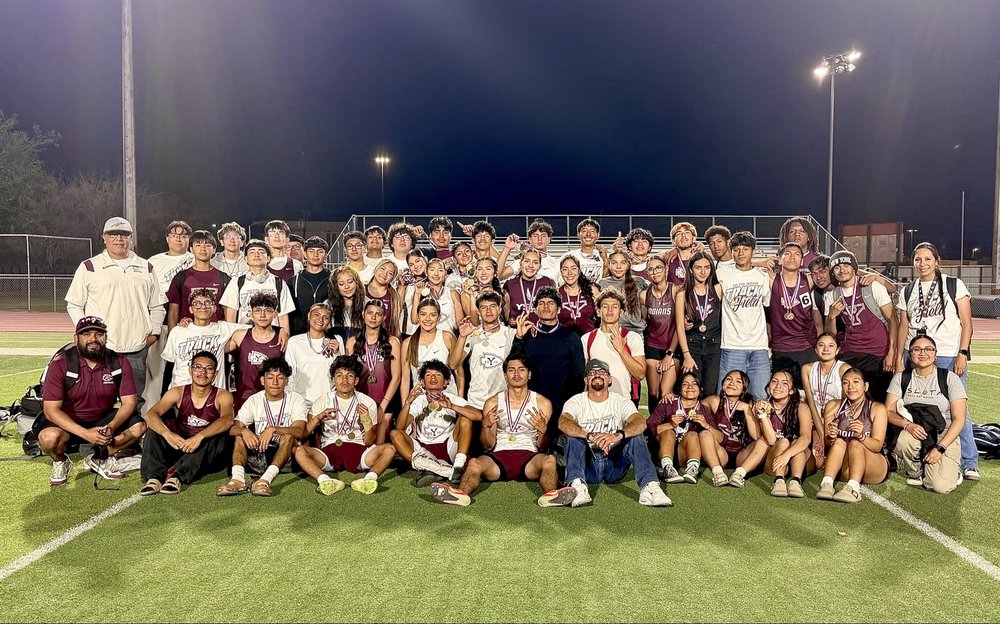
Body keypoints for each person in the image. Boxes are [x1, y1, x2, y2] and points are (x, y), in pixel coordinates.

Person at [431, 355, 577, 507]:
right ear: (505, 375)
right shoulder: (493, 402)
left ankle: (551, 495)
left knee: (549, 460)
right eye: (511, 370)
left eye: (521, 370)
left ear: (529, 374)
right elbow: (488, 445)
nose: (516, 374)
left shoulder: (543, 403)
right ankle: (461, 494)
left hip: (529, 457)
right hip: (498, 456)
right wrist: (486, 426)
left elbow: (541, 446)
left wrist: (543, 431)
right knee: (474, 463)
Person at [895, 242, 978, 481]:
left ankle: (969, 461)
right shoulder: (908, 290)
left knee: (957, 410)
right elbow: (903, 326)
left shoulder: (953, 285)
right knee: (917, 408)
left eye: (927, 259)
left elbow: (967, 322)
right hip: (915, 355)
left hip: (947, 355)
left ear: (936, 261)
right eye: (918, 260)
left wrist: (963, 352)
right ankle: (922, 458)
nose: (922, 264)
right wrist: (900, 356)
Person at [66, 217, 166, 411]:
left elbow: (157, 306)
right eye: (113, 234)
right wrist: (87, 334)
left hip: (136, 347)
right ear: (104, 238)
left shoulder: (146, 267)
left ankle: (130, 438)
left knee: (134, 401)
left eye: (124, 234)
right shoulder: (89, 266)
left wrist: (153, 334)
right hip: (101, 348)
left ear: (131, 238)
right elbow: (74, 305)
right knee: (97, 398)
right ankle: (96, 439)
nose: (118, 239)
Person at [36, 316, 145, 485]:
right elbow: (51, 410)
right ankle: (60, 461)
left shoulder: (119, 361)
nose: (93, 339)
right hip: (69, 419)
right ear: (76, 338)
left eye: (98, 334)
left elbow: (129, 402)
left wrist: (112, 426)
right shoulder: (61, 364)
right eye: (86, 334)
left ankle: (100, 457)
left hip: (103, 418)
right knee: (49, 438)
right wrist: (86, 434)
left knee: (139, 427)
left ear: (106, 337)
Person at [559, 358, 672, 507]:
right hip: (588, 464)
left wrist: (617, 435)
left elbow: (640, 422)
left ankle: (649, 487)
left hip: (614, 463)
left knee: (635, 437)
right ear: (586, 380)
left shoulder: (620, 401)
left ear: (609, 379)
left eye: (602, 372)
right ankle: (577, 486)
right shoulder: (576, 401)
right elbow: (563, 422)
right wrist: (589, 435)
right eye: (592, 373)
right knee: (572, 437)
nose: (597, 375)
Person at [294, 356, 396, 495]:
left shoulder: (367, 402)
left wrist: (366, 420)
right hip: (328, 451)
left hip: (360, 449)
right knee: (299, 451)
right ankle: (324, 480)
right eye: (339, 375)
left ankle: (369, 479)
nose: (344, 380)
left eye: (350, 376)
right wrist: (318, 417)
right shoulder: (323, 400)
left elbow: (370, 441)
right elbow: (304, 434)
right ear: (333, 380)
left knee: (390, 449)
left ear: (356, 381)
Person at [138, 351, 235, 495]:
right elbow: (151, 414)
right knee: (154, 428)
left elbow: (227, 420)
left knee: (219, 436)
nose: (203, 373)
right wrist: (168, 434)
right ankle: (154, 477)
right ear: (190, 370)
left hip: (207, 453)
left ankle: (177, 477)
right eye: (198, 367)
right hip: (182, 445)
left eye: (209, 369)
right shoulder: (177, 392)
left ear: (215, 373)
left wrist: (200, 436)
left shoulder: (222, 395)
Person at [885, 333, 967, 494]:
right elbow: (888, 411)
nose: (923, 353)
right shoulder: (901, 378)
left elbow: (959, 419)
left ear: (935, 354)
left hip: (943, 436)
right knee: (902, 440)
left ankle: (950, 469)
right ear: (910, 354)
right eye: (917, 349)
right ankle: (915, 470)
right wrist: (907, 425)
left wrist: (940, 448)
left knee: (939, 487)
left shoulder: (949, 378)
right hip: (915, 432)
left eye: (928, 349)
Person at [217, 357, 308, 497]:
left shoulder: (295, 399)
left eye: (280, 378)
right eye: (270, 377)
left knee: (289, 436)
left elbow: (300, 431)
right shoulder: (254, 400)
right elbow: (232, 427)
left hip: (285, 457)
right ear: (262, 380)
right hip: (259, 454)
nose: (275, 382)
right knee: (239, 436)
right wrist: (244, 430)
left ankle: (265, 481)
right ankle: (238, 480)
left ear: (287, 381)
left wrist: (273, 429)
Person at [391, 360, 482, 487]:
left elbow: (478, 416)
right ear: (422, 382)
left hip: (448, 448)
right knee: (395, 434)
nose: (433, 378)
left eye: (438, 375)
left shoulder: (452, 398)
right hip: (423, 450)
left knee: (465, 418)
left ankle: (457, 466)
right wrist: (408, 402)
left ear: (446, 382)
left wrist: (452, 406)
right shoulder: (419, 400)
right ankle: (446, 471)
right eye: (428, 375)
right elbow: (400, 427)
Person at [824, 250, 898, 402]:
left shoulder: (872, 286)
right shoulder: (831, 296)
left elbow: (893, 321)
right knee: (852, 398)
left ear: (854, 268)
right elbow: (830, 335)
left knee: (878, 400)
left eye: (846, 265)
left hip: (878, 352)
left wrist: (891, 352)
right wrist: (832, 316)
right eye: (837, 267)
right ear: (833, 272)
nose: (842, 270)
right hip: (852, 352)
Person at [817, 368, 889, 503]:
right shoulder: (833, 406)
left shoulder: (877, 408)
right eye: (846, 383)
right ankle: (827, 483)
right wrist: (830, 437)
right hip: (845, 465)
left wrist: (862, 436)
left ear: (865, 386)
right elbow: (828, 445)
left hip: (873, 465)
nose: (851, 387)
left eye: (856, 382)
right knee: (839, 442)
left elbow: (877, 446)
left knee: (856, 443)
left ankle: (854, 489)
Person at [715, 231, 772, 399]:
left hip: (759, 347)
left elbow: (768, 305)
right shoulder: (722, 275)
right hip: (732, 345)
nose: (740, 253)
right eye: (736, 249)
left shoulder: (762, 276)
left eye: (745, 249)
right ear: (731, 251)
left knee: (761, 396)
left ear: (753, 251)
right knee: (727, 395)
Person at [161, 289, 242, 391]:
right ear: (191, 309)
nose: (203, 307)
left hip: (213, 395)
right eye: (197, 303)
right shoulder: (178, 331)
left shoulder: (223, 328)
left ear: (214, 308)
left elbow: (252, 329)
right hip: (181, 393)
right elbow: (170, 366)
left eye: (207, 303)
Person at [700, 370, 769, 487]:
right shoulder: (714, 400)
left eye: (738, 381)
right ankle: (718, 474)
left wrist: (747, 409)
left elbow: (756, 436)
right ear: (723, 383)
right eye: (728, 379)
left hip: (742, 456)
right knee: (704, 434)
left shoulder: (750, 404)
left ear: (744, 388)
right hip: (720, 453)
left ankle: (739, 474)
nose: (732, 383)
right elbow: (691, 406)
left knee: (763, 441)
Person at [346, 300, 402, 444]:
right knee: (361, 444)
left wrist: (383, 406)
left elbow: (396, 377)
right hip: (361, 401)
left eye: (378, 314)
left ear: (384, 318)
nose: (373, 317)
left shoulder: (392, 342)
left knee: (379, 446)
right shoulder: (352, 342)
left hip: (385, 401)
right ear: (363, 315)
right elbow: (348, 376)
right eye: (370, 313)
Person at [450, 291, 516, 410]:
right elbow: (453, 364)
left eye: (492, 306)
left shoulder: (511, 334)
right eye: (483, 307)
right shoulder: (472, 334)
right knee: (465, 424)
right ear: (479, 312)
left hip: (502, 401)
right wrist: (462, 336)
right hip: (476, 401)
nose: (488, 311)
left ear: (500, 310)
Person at [753, 370, 814, 498]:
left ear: (792, 390)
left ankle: (795, 481)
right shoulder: (762, 406)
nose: (778, 386)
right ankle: (779, 480)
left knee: (798, 445)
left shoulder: (801, 407)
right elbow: (767, 440)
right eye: (774, 381)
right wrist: (763, 415)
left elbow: (806, 437)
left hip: (798, 458)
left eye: (784, 383)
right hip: (775, 458)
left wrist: (786, 455)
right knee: (784, 442)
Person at [580, 289, 646, 404]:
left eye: (615, 307)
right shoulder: (586, 339)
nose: (610, 310)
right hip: (595, 403)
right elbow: (583, 375)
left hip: (623, 402)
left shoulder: (632, 337)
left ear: (621, 312)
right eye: (605, 306)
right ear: (598, 311)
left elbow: (640, 374)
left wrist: (621, 349)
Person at [219, 239, 294, 337]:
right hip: (244, 338)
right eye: (252, 252)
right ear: (245, 258)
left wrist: (285, 339)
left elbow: (283, 316)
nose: (256, 255)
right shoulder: (237, 282)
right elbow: (230, 315)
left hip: (272, 336)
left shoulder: (279, 283)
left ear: (268, 258)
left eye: (261, 252)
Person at [769, 243, 822, 380]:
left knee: (810, 389)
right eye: (787, 253)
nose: (792, 257)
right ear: (779, 259)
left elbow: (835, 271)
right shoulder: (770, 279)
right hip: (781, 347)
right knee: (784, 390)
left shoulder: (809, 279)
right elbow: (744, 265)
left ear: (802, 261)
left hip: (807, 345)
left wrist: (875, 276)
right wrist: (761, 263)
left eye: (797, 254)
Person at [675, 251, 723, 398]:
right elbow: (679, 328)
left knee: (710, 390)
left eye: (707, 267)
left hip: (714, 345)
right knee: (692, 389)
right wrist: (687, 355)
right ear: (690, 269)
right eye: (698, 267)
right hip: (692, 345)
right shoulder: (682, 294)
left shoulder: (718, 289)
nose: (703, 272)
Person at [645, 372, 707, 484]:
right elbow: (647, 428)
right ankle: (667, 468)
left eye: (694, 384)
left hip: (684, 455)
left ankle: (692, 468)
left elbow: (718, 437)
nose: (690, 387)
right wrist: (670, 425)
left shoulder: (704, 410)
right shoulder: (668, 403)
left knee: (693, 434)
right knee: (669, 432)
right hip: (661, 453)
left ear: (700, 389)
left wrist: (706, 425)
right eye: (685, 384)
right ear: (679, 388)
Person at [227, 292, 286, 410]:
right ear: (251, 313)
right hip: (244, 399)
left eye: (268, 311)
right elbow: (215, 346)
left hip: (273, 401)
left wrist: (283, 330)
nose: (263, 315)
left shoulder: (282, 338)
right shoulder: (239, 336)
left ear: (275, 314)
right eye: (258, 310)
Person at [166, 230, 230, 330]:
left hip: (215, 333)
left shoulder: (224, 278)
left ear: (214, 250)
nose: (203, 249)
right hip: (187, 332)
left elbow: (228, 312)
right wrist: (171, 336)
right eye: (198, 245)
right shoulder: (181, 277)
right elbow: (173, 311)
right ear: (191, 249)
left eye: (208, 245)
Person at [284, 303, 345, 408]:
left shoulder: (336, 340)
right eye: (316, 315)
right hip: (301, 401)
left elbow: (343, 370)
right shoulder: (294, 342)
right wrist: (289, 399)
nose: (320, 319)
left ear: (329, 322)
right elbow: (289, 373)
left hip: (328, 401)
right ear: (309, 316)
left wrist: (337, 353)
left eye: (325, 317)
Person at [401, 298, 461, 397]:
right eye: (423, 314)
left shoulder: (447, 337)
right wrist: (405, 407)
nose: (427, 319)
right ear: (417, 317)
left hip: (447, 398)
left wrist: (459, 402)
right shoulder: (408, 343)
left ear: (439, 318)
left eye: (433, 315)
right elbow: (405, 379)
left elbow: (459, 372)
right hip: (420, 400)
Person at [641, 255, 678, 409]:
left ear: (666, 270)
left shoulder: (676, 290)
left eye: (658, 268)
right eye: (651, 269)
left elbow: (680, 326)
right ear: (647, 273)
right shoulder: (644, 295)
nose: (655, 272)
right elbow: (644, 320)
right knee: (653, 393)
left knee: (665, 392)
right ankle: (653, 430)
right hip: (652, 346)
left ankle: (670, 427)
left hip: (673, 347)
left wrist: (670, 354)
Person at [288, 236, 331, 335]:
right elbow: (290, 313)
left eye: (320, 251)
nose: (315, 255)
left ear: (326, 256)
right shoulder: (294, 281)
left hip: (327, 334)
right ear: (305, 254)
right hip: (300, 334)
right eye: (311, 251)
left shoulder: (334, 280)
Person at [502, 248, 555, 326]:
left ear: (540, 266)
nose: (530, 266)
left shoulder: (547, 282)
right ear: (521, 263)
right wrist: (509, 321)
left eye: (535, 262)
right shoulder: (509, 284)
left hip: (541, 331)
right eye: (526, 261)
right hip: (517, 331)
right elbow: (506, 311)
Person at [409, 257, 462, 334]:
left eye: (440, 270)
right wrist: (417, 294)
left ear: (445, 273)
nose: (436, 274)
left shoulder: (452, 293)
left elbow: (460, 324)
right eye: (432, 270)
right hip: (425, 340)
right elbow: (414, 320)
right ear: (426, 272)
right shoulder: (419, 291)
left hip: (448, 339)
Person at [599, 250, 647, 333]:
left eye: (623, 263)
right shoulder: (602, 283)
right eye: (614, 263)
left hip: (635, 331)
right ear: (609, 265)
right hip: (610, 330)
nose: (618, 266)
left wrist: (644, 320)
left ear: (628, 265)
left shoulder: (639, 281)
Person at [557, 254, 599, 336]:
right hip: (565, 340)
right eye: (565, 269)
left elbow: (601, 316)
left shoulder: (592, 290)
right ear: (561, 272)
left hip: (589, 339)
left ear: (579, 271)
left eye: (573, 268)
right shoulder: (557, 293)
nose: (570, 273)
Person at [364, 259, 406, 336]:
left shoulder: (394, 297)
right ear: (376, 268)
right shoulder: (361, 290)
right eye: (383, 269)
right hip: (362, 339)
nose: (385, 274)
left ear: (392, 278)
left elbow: (396, 324)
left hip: (386, 341)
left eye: (390, 273)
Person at [459, 257, 504, 325]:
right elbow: (474, 322)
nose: (483, 273)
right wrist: (472, 296)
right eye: (480, 269)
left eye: (488, 269)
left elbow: (507, 321)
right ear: (475, 273)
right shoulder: (466, 294)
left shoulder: (503, 293)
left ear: (495, 273)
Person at [560, 218, 606, 283]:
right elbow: (561, 281)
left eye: (592, 231)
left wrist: (605, 260)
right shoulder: (568, 256)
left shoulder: (604, 256)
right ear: (578, 235)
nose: (588, 234)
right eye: (584, 231)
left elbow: (608, 281)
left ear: (598, 235)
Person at [327, 265, 365, 342]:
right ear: (335, 286)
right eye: (341, 284)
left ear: (357, 282)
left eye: (350, 282)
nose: (347, 287)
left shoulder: (367, 303)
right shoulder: (328, 305)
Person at [661, 222, 698, 286]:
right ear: (673, 241)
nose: (683, 236)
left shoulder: (701, 258)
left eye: (687, 232)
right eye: (678, 234)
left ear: (693, 238)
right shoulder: (667, 258)